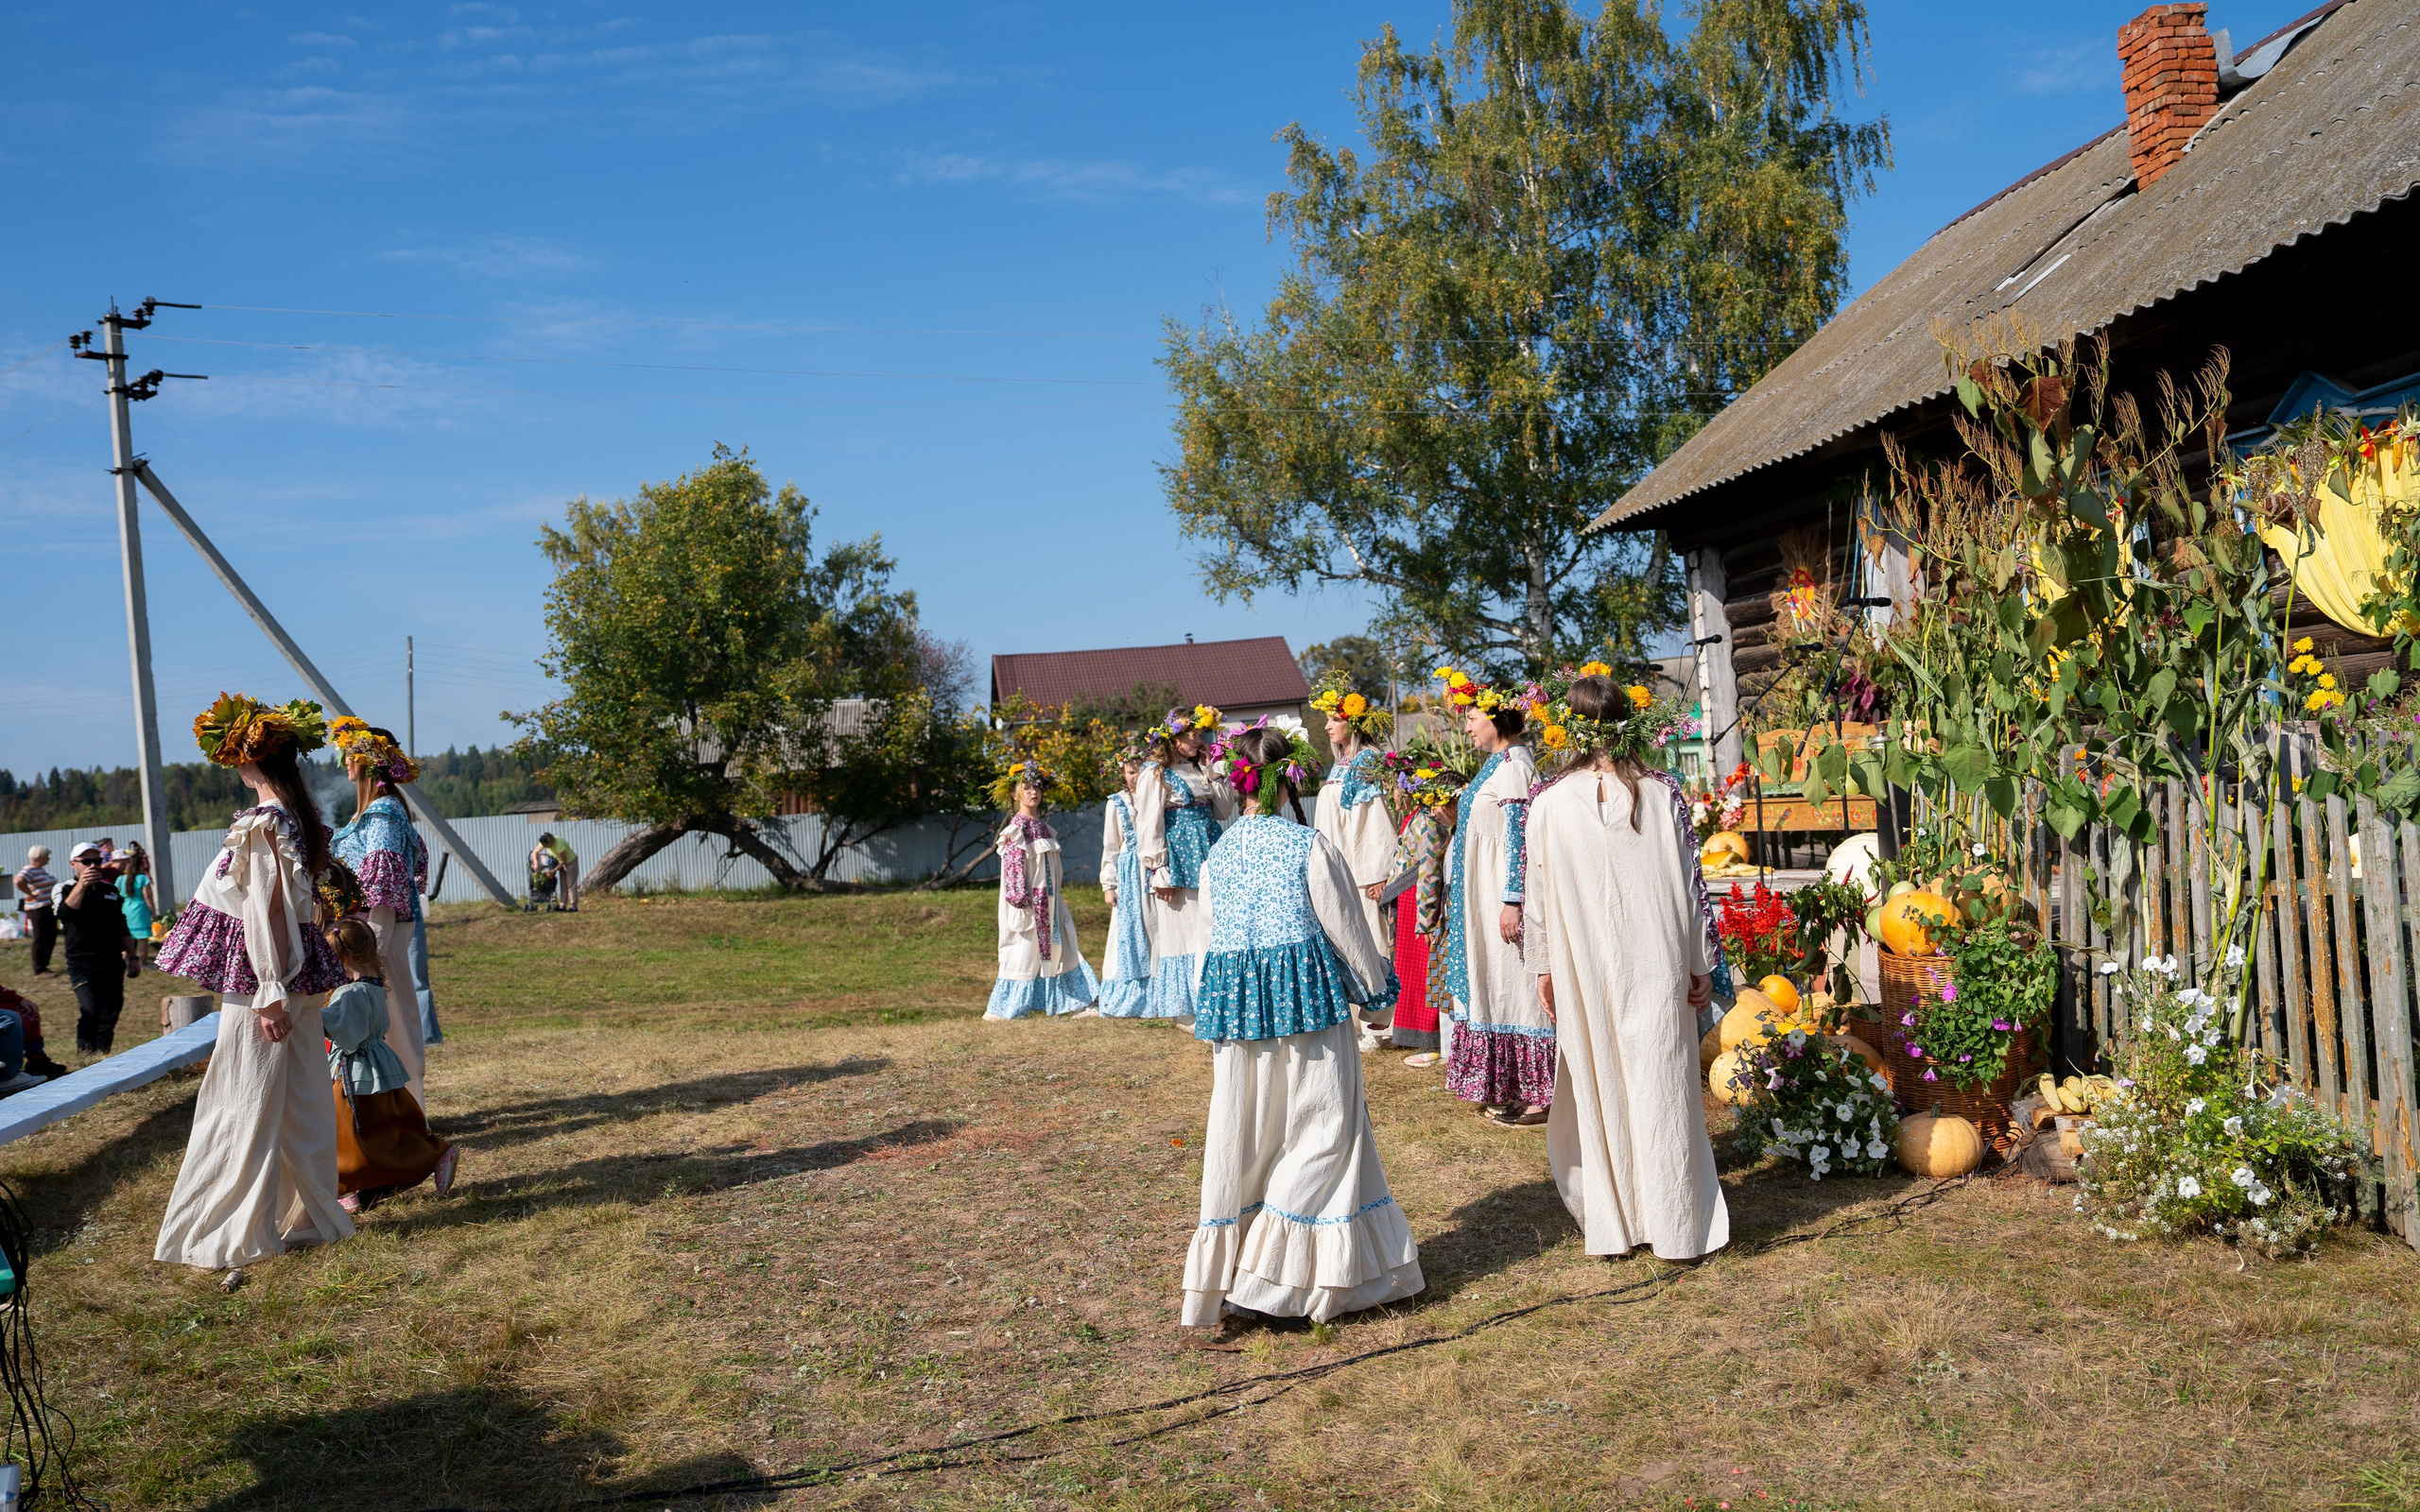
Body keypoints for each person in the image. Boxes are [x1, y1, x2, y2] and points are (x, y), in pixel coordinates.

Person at [1181, 725, 1417, 1346]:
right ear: (1289, 779)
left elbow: (1205, 949)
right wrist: (1375, 993)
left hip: (1239, 1018)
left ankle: (1258, 1269)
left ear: (1238, 784)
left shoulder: (1218, 856)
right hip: (1308, 1014)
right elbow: (1348, 930)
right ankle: (1270, 1284)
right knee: (1324, 1131)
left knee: (1251, 1137)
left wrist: (1216, 1012)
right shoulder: (1308, 847)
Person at [1524, 674, 1728, 1262]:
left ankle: (1618, 1223)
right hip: (1654, 956)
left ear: (1571, 729)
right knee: (1660, 1078)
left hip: (1584, 962)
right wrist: (1699, 962)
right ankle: (1674, 1221)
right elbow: (1691, 886)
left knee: (1603, 1078)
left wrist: (1544, 966)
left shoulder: (1548, 802)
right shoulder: (1661, 793)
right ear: (1626, 722)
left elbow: (1537, 896)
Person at [154, 693, 355, 1271]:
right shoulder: (297, 819)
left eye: (234, 756)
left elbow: (267, 912)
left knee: (242, 1098)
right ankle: (312, 1215)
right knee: (302, 1097)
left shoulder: (265, 823)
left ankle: (233, 1231)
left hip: (268, 978)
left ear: (248, 760)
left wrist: (270, 990)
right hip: (292, 972)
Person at [1437, 672, 1547, 1126]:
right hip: (1483, 896)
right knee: (1497, 986)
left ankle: (1540, 1093)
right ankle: (1511, 1086)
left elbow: (1521, 836)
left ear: (1497, 719)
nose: (1466, 726)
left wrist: (1513, 899)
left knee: (1517, 987)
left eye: (1472, 717)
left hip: (1502, 897)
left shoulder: (1515, 766)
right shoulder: (1498, 764)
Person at [320, 918, 458, 1212]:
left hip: (354, 1074)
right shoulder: (375, 985)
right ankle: (433, 1155)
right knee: (385, 1130)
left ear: (343, 958)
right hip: (379, 1066)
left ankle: (348, 1186)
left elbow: (346, 1029)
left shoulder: (351, 993)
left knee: (346, 1132)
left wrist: (309, 1017)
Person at [329, 718, 433, 1105]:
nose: (345, 763)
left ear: (367, 762)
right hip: (364, 938)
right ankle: (381, 1109)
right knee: (378, 1021)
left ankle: (405, 1109)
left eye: (349, 755)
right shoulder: (374, 812)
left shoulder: (384, 813)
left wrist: (369, 953)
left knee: (392, 1022)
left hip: (375, 938)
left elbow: (383, 888)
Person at [1130, 705, 1237, 1022]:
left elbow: (1223, 811)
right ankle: (1188, 1008)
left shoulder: (1202, 768)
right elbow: (1148, 823)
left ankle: (1214, 999)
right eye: (1191, 734)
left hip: (1210, 850)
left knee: (1211, 922)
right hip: (1178, 859)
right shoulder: (1155, 773)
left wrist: (1214, 771)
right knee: (1184, 929)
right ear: (1173, 737)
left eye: (1200, 734)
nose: (1197, 740)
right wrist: (1158, 870)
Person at [1309, 683, 1399, 1052]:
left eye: (1334, 719)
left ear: (1354, 723)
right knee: (1347, 942)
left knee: (1373, 942)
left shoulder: (1366, 760)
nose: (1328, 726)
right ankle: (1363, 1020)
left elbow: (1375, 819)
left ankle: (1381, 1025)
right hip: (1340, 867)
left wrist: (1378, 873)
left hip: (1362, 872)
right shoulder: (1343, 761)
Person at [985, 760, 1101, 1020]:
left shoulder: (1043, 828)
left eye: (1036, 787)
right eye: (1026, 788)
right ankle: (1007, 1009)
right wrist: (1022, 901)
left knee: (1063, 948)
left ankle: (1075, 1002)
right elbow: (1013, 871)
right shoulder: (1017, 829)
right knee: (1023, 951)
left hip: (1050, 900)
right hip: (1029, 904)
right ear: (1014, 794)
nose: (1032, 792)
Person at [1384, 761, 1464, 1067]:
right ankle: (1427, 1037)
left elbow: (1430, 871)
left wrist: (1426, 919)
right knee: (1416, 973)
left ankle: (1432, 1039)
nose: (1393, 794)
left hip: (1420, 903)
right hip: (1415, 900)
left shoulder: (1428, 821)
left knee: (1426, 972)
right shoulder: (1421, 818)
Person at [57, 841, 139, 1057]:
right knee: (90, 1009)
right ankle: (84, 1057)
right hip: (82, 962)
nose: (93, 865)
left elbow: (121, 925)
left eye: (97, 861)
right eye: (86, 862)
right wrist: (82, 886)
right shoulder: (64, 888)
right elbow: (64, 914)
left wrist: (133, 956)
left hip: (112, 960)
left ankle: (101, 1058)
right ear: (73, 864)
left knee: (110, 1013)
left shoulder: (110, 889)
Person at [1094, 747, 1153, 1019]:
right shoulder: (1116, 803)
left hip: (1153, 868)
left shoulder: (1157, 795)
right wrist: (1109, 884)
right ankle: (1127, 993)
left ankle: (1156, 991)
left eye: (1140, 770)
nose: (1136, 776)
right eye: (1130, 771)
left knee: (1154, 926)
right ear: (1122, 773)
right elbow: (1111, 846)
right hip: (1129, 874)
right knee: (1127, 929)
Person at [14, 847, 58, 976]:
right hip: (38, 908)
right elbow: (18, 881)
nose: (49, 859)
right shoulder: (29, 869)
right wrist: (30, 893)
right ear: (39, 857)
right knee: (41, 937)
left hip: (47, 907)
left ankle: (44, 965)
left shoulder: (39, 870)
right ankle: (39, 968)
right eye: (46, 856)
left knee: (50, 936)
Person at [119, 842, 159, 958]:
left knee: (127, 937)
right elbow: (147, 896)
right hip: (140, 910)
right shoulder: (142, 878)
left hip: (125, 909)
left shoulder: (120, 879)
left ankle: (125, 960)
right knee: (143, 938)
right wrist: (153, 912)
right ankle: (143, 961)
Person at [538, 833, 579, 911]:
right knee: (563, 884)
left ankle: (574, 906)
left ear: (549, 842)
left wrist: (553, 870)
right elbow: (535, 852)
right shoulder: (544, 842)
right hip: (561, 863)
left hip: (570, 862)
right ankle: (562, 905)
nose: (544, 847)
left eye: (545, 845)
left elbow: (564, 861)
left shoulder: (558, 844)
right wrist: (535, 863)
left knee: (571, 884)